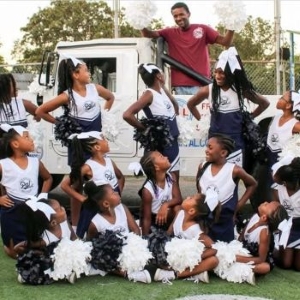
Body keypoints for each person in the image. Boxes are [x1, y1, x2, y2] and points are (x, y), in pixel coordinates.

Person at [35, 55, 115, 228]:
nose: (89, 73)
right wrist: (60, 123)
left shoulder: (96, 89)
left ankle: (100, 219)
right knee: (77, 184)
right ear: (75, 74)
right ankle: (77, 224)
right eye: (86, 70)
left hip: (96, 142)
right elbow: (41, 111)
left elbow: (110, 98)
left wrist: (105, 117)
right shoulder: (67, 96)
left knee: (100, 177)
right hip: (78, 145)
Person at [187, 47, 270, 168]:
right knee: (214, 175)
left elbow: (264, 103)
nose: (217, 76)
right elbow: (191, 104)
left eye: (221, 72)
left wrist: (249, 117)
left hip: (235, 140)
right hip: (215, 140)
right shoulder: (208, 90)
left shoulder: (240, 90)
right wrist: (201, 120)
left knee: (233, 177)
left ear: (230, 73)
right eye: (216, 72)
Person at [141, 2, 234, 95]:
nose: (179, 18)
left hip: (202, 83)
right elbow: (147, 34)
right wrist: (140, 19)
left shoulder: (203, 29)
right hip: (180, 87)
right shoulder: (169, 32)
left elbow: (226, 42)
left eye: (181, 14)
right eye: (175, 16)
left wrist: (232, 24)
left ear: (188, 14)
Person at [0, 124, 52, 258]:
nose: (31, 139)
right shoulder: (3, 164)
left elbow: (48, 178)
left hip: (33, 209)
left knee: (41, 245)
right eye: (27, 137)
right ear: (15, 144)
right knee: (14, 252)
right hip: (12, 211)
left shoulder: (36, 162)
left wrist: (42, 196)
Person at [60, 131, 125, 238]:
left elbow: (120, 177)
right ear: (97, 147)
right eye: (103, 139)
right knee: (91, 234)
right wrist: (83, 199)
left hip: (113, 205)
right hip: (96, 208)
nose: (107, 141)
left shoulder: (109, 161)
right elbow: (64, 185)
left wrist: (117, 193)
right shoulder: (88, 167)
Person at [85, 181, 152, 284]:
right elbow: (91, 245)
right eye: (113, 192)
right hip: (113, 257)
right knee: (101, 254)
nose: (117, 192)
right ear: (106, 203)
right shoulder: (95, 223)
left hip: (129, 250)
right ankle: (127, 274)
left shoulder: (122, 208)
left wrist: (135, 247)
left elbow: (135, 230)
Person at [123, 63, 180, 182]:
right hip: (160, 144)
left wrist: (163, 87)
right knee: (158, 179)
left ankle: (172, 199)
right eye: (161, 73)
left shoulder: (162, 91)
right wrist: (145, 129)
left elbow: (175, 105)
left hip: (172, 141)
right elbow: (127, 115)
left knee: (174, 180)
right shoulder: (148, 94)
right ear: (158, 76)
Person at [196, 133, 257, 243]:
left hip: (224, 221)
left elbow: (253, 184)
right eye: (206, 147)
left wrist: (238, 206)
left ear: (223, 153)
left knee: (224, 252)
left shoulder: (235, 170)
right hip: (205, 220)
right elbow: (199, 186)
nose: (206, 150)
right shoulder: (203, 166)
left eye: (210, 148)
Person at [153, 193, 219, 283]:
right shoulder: (180, 214)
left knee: (213, 261)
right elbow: (168, 233)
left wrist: (196, 257)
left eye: (191, 198)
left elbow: (214, 248)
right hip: (173, 257)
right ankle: (194, 274)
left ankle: (173, 275)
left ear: (191, 211)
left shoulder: (195, 230)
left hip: (186, 261)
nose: (188, 196)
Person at [237, 201, 288, 277]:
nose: (265, 202)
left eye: (266, 205)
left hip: (256, 256)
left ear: (264, 217)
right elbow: (241, 237)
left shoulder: (264, 232)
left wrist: (239, 259)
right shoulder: (255, 216)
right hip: (245, 250)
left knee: (265, 267)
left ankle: (244, 268)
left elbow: (261, 259)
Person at [138, 151, 182, 236]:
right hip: (156, 220)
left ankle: (169, 235)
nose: (166, 157)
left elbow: (178, 199)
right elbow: (146, 218)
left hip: (169, 218)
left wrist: (165, 205)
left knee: (178, 208)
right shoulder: (147, 190)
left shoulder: (172, 176)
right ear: (156, 167)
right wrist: (144, 239)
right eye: (162, 157)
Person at [272, 157, 300, 271]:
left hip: (299, 227)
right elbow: (277, 207)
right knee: (286, 264)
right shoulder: (277, 188)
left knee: (298, 267)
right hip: (285, 226)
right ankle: (272, 250)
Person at [267, 91, 300, 181]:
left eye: (282, 98)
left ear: (288, 105)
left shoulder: (295, 125)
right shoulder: (276, 117)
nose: (279, 99)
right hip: (269, 156)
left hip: (281, 160)